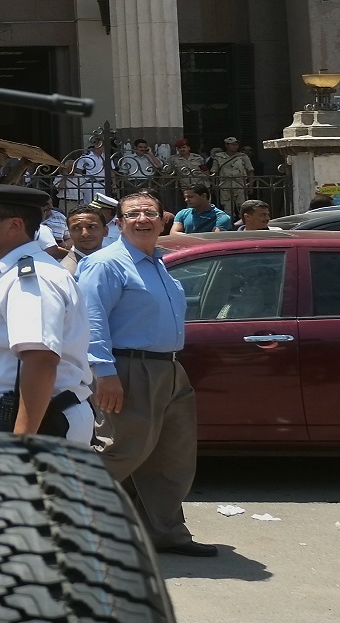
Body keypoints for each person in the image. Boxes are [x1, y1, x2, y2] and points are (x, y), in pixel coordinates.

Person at [76, 192, 215, 557]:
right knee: (118, 453)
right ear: (118, 223)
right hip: (128, 368)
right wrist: (105, 373)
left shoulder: (158, 262)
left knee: (170, 458)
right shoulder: (106, 264)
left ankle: (163, 533)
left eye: (149, 212)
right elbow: (91, 321)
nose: (142, 219)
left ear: (161, 220)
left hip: (168, 368)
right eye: (133, 214)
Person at [0, 185, 94, 442]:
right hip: (16, 419)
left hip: (39, 425)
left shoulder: (30, 278)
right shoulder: (9, 271)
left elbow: (40, 360)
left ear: (15, 225)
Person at [58, 206, 110, 274]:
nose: (85, 234)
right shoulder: (66, 273)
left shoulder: (112, 260)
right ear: (69, 233)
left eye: (91, 227)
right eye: (76, 228)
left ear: (105, 231)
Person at [211, 137, 256, 215]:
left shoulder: (243, 156)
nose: (235, 146)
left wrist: (250, 185)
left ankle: (243, 221)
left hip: (240, 183)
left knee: (242, 206)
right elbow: (214, 172)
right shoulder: (219, 157)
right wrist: (214, 185)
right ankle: (229, 221)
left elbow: (250, 170)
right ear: (227, 145)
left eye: (236, 145)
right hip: (224, 184)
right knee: (227, 207)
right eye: (232, 145)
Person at [63, 138, 108, 205]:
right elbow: (78, 170)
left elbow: (111, 170)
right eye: (102, 145)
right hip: (90, 184)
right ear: (96, 145)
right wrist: (84, 178)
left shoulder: (107, 157)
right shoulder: (86, 157)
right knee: (91, 204)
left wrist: (114, 184)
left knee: (104, 204)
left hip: (104, 183)